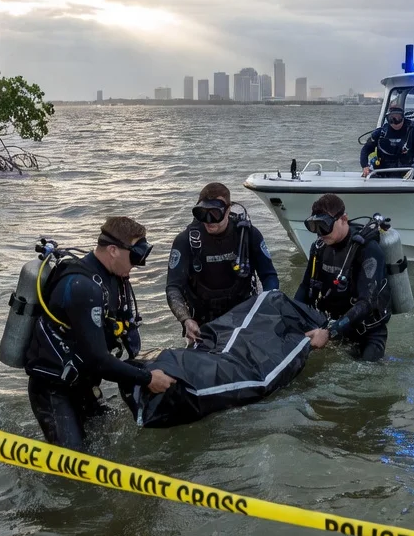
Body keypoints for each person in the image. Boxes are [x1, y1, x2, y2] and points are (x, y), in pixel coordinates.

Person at [25, 216, 175, 450]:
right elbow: (98, 360)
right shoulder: (82, 286)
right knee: (75, 464)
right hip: (54, 388)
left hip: (84, 382)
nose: (137, 264)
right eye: (134, 256)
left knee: (107, 445)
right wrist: (147, 379)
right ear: (113, 250)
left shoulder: (113, 276)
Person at [166, 182, 279, 345]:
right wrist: (186, 320)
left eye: (215, 214)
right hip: (202, 323)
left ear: (228, 210)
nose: (209, 221)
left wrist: (265, 307)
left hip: (244, 317)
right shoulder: (185, 241)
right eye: (203, 214)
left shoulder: (248, 235)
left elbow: (269, 276)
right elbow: (173, 287)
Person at [295, 194, 391, 361]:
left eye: (325, 226)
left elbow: (367, 302)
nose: (320, 234)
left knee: (365, 376)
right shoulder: (318, 248)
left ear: (344, 219)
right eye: (315, 227)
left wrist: (329, 333)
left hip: (367, 333)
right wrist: (292, 318)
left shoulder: (368, 249)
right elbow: (305, 287)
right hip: (334, 327)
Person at [360, 102, 414, 179]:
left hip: (408, 174)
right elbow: (365, 150)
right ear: (387, 118)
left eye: (398, 118)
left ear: (403, 117)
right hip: (383, 173)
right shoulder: (380, 133)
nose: (395, 122)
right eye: (392, 119)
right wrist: (365, 166)